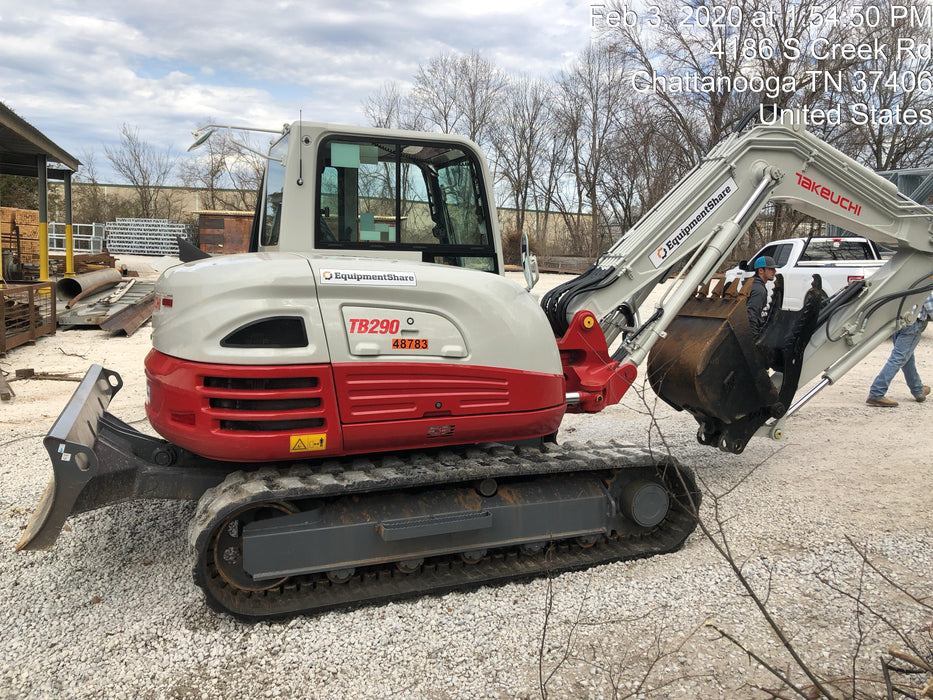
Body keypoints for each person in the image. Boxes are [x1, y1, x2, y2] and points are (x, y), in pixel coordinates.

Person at [866, 293, 933, 407]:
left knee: (906, 358)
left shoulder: (904, 277)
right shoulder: (924, 280)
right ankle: (877, 392)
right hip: (912, 323)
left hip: (898, 321)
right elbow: (930, 305)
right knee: (898, 359)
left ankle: (918, 390)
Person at [746, 255, 776, 337]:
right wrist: (754, 337)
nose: (774, 271)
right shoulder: (759, 290)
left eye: (774, 269)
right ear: (761, 270)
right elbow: (751, 314)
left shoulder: (750, 283)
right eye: (770, 269)